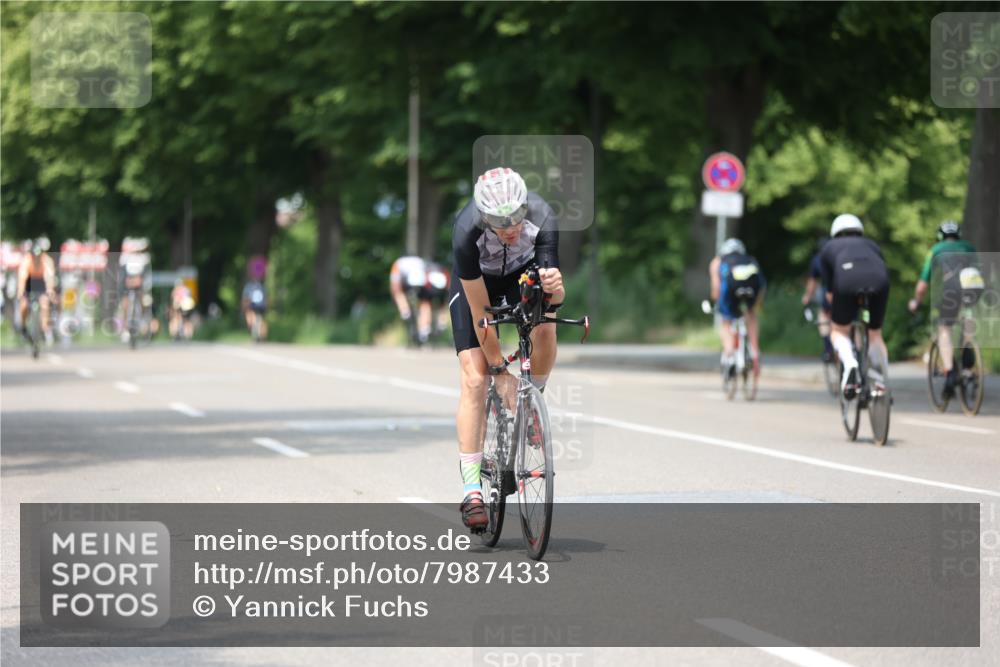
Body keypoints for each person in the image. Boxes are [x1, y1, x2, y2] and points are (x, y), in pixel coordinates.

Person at [449, 167, 563, 531]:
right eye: (500, 221)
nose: (511, 226)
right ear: (484, 216)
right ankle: (471, 491)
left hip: (520, 275)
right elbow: (482, 314)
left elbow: (554, 300)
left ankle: (531, 403)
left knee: (545, 328)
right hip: (478, 283)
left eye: (516, 216)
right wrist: (500, 372)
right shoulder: (466, 232)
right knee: (475, 376)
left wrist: (556, 291)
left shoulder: (543, 218)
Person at [818, 214, 890, 398]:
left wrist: (841, 316)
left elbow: (830, 294)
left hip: (846, 280)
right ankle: (881, 380)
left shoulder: (828, 248)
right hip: (879, 281)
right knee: (875, 334)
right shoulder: (872, 244)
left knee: (838, 331)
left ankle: (850, 363)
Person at [907, 221, 980, 397]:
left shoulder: (936, 249)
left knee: (944, 329)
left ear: (940, 235)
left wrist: (916, 301)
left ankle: (950, 372)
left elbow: (923, 284)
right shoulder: (969, 247)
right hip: (975, 287)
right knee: (968, 322)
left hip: (952, 289)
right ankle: (968, 365)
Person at [709, 238, 764, 379]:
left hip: (731, 292)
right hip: (752, 290)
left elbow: (716, 288)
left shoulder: (718, 261)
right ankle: (754, 351)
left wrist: (717, 303)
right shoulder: (750, 260)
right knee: (751, 316)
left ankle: (730, 354)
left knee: (726, 321)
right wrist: (755, 306)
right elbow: (762, 284)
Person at [17, 237, 57, 346]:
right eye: (34, 255)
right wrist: (20, 291)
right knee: (24, 306)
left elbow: (50, 277)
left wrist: (50, 290)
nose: (36, 258)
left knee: (44, 303)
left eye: (38, 255)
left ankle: (45, 329)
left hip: (41, 284)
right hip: (29, 284)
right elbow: (22, 277)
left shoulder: (47, 260)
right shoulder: (27, 260)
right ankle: (23, 327)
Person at [802, 237, 834, 362]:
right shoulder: (840, 254)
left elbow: (813, 282)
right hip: (849, 290)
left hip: (830, 293)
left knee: (823, 315)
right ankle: (858, 350)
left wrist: (807, 297)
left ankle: (827, 349)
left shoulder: (817, 259)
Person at [389, 255, 432, 345]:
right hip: (421, 281)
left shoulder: (398, 263)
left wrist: (395, 297)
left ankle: (405, 311)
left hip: (408, 281)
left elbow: (394, 284)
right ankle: (424, 330)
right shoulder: (420, 260)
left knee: (398, 292)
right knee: (425, 302)